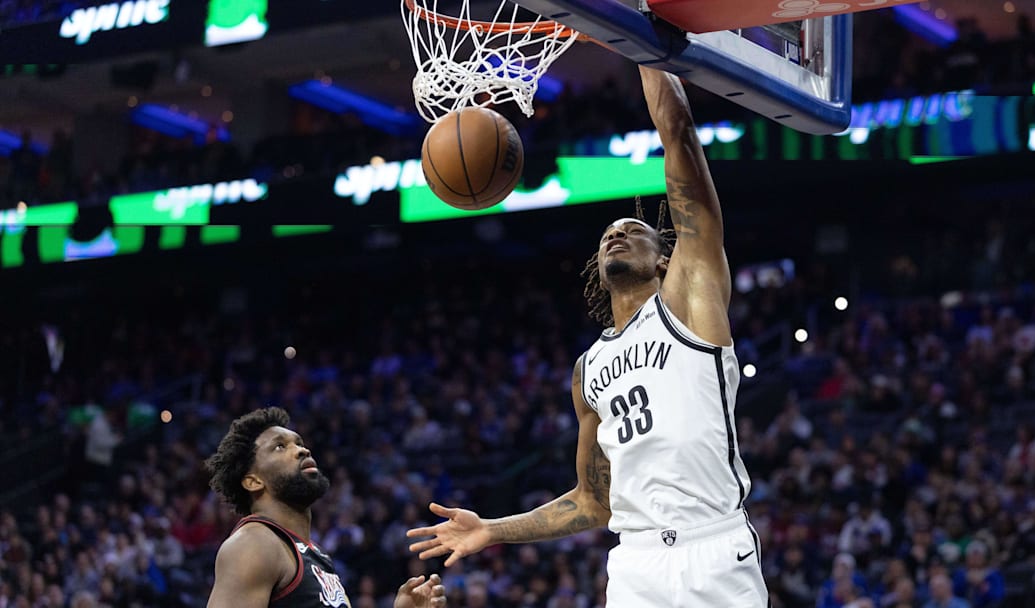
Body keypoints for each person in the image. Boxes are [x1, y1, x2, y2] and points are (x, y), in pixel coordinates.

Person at [406, 66, 768, 606]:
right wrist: (492, 528)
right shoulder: (588, 369)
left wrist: (645, 50)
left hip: (711, 547)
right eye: (607, 235)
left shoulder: (692, 301)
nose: (617, 233)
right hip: (635, 564)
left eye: (634, 230)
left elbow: (679, 134)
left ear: (666, 258)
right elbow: (594, 502)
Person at [206, 407, 446, 608]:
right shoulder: (254, 544)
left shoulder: (316, 556)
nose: (302, 449)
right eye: (280, 446)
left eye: (298, 442)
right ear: (253, 481)